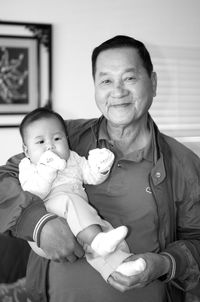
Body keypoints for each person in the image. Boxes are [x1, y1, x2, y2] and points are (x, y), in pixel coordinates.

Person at [0, 35, 200, 302]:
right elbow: (5, 179)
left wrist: (164, 264)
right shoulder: (61, 138)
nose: (117, 91)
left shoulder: (184, 163)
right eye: (106, 80)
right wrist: (37, 225)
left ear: (152, 83)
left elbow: (196, 241)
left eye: (129, 78)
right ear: (95, 87)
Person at [18, 107, 145, 281]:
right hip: (47, 221)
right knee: (69, 202)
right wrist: (47, 170)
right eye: (40, 142)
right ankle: (98, 241)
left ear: (67, 141)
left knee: (104, 229)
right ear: (26, 151)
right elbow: (32, 193)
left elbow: (90, 176)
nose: (50, 145)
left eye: (57, 138)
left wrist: (101, 167)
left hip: (78, 218)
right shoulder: (28, 166)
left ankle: (122, 265)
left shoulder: (73, 158)